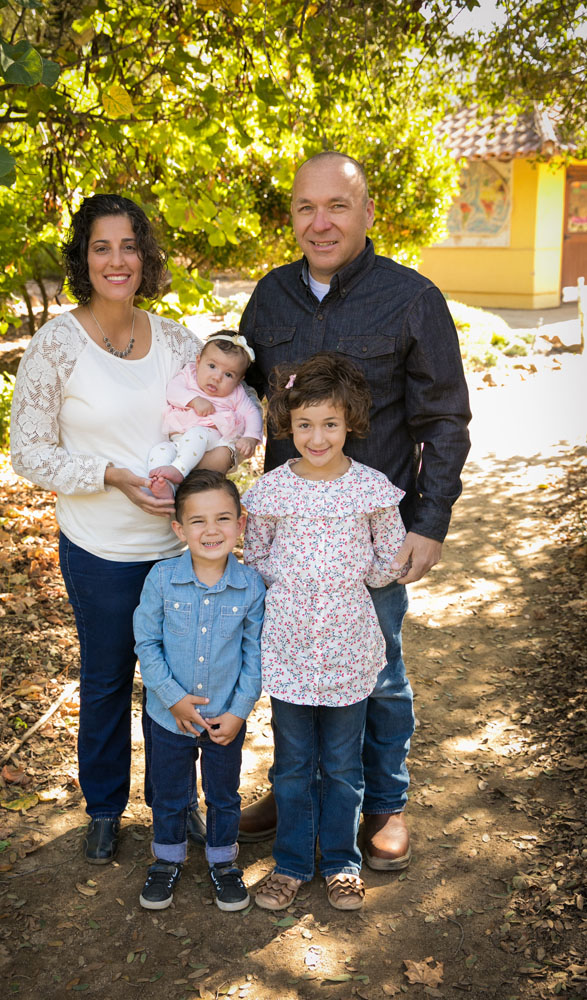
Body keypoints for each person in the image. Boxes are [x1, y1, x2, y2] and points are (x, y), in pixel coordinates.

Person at [238, 151, 471, 870]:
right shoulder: (269, 298)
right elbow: (242, 403)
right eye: (306, 207)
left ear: (366, 212)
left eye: (336, 206)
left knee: (380, 673)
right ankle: (298, 787)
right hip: (288, 539)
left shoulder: (411, 298)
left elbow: (445, 421)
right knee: (292, 665)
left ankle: (384, 804)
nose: (320, 221)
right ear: (292, 217)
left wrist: (429, 524)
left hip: (370, 538)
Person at [10, 194, 241, 865]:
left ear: (145, 256)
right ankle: (105, 808)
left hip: (177, 552)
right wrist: (112, 474)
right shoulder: (57, 343)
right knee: (108, 681)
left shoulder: (175, 339)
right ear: (84, 258)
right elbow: (29, 452)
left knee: (181, 685)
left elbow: (223, 425)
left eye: (128, 246)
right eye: (101, 247)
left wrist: (210, 470)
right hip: (99, 552)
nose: (117, 260)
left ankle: (179, 805)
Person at [243, 353, 406, 911]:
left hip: (348, 648)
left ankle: (339, 862)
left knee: (341, 765)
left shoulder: (372, 488)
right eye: (306, 424)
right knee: (290, 765)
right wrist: (295, 589)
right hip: (289, 647)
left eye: (330, 424)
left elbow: (390, 557)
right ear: (289, 422)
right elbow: (257, 557)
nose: (317, 437)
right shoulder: (271, 490)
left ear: (350, 422)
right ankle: (290, 863)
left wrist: (347, 581)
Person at [134, 470, 265, 910]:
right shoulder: (161, 579)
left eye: (223, 519)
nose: (212, 531)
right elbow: (146, 643)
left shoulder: (250, 586)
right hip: (168, 714)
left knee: (224, 794)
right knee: (170, 793)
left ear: (241, 523)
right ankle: (167, 860)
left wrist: (241, 709)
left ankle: (224, 862)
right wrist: (172, 696)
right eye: (198, 521)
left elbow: (255, 654)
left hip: (224, 715)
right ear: (179, 528)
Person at [147, 331, 263, 499]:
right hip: (180, 441)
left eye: (229, 374)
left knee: (197, 434)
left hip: (212, 439)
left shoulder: (236, 393)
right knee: (160, 450)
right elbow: (173, 390)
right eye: (212, 366)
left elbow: (251, 413)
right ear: (199, 361)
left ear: (239, 380)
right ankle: (164, 486)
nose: (217, 377)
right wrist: (193, 400)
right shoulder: (189, 374)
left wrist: (250, 437)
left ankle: (178, 470)